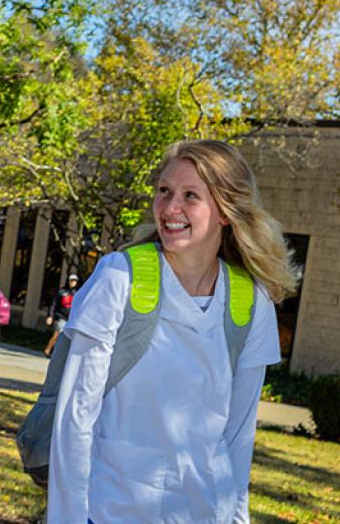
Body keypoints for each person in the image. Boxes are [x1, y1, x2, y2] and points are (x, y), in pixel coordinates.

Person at [47, 139, 294, 523]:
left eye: (190, 195)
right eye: (164, 191)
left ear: (226, 212)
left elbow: (238, 438)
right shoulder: (118, 276)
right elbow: (75, 418)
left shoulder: (250, 301)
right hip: (110, 509)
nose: (170, 208)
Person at [41, 274, 77, 357]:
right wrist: (50, 316)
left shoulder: (76, 293)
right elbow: (53, 304)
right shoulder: (61, 292)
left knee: (66, 337)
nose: (73, 282)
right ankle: (48, 349)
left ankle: (58, 353)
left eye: (75, 281)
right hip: (60, 317)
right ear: (68, 281)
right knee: (57, 333)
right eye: (71, 280)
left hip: (70, 319)